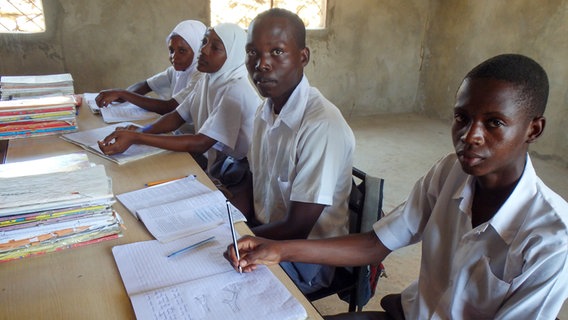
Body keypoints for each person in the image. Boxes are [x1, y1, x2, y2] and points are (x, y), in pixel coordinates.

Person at [226, 53, 568, 319]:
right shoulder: (450, 172)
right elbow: (376, 244)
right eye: (462, 118)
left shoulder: (552, 236)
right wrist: (279, 249)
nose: (470, 136)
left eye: (494, 123)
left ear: (533, 129)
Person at [243, 8, 356, 295]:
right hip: (266, 234)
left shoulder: (321, 125)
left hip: (309, 256)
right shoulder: (264, 112)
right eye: (252, 53)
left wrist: (235, 237)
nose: (262, 65)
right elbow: (252, 181)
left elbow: (296, 228)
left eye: (277, 52)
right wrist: (224, 223)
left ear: (303, 57)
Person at [98, 23, 261, 195]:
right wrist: (142, 131)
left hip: (245, 174)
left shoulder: (236, 90)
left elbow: (200, 143)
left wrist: (138, 137)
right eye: (204, 42)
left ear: (233, 56)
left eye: (215, 48)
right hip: (223, 164)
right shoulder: (208, 79)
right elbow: (177, 116)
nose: (203, 50)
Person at [95, 20, 206, 115]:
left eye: (182, 51)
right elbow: (145, 85)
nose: (174, 57)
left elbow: (169, 107)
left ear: (198, 49)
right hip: (176, 132)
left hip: (191, 134)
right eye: (171, 50)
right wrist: (120, 97)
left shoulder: (201, 76)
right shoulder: (176, 71)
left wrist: (122, 93)